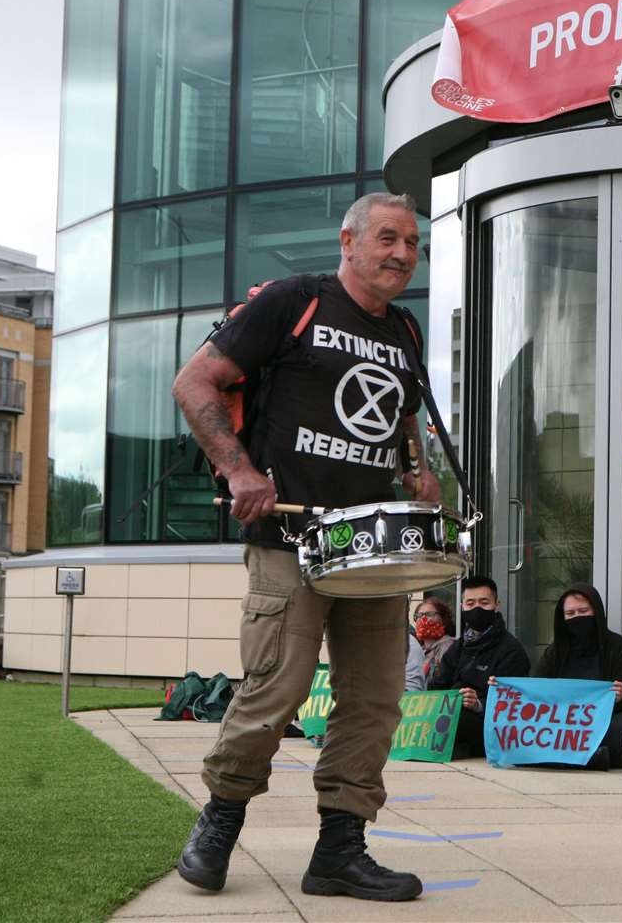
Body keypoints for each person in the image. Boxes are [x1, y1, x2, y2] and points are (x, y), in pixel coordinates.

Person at [170, 192, 441, 901]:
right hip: (288, 535)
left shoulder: (406, 331)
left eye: (412, 243)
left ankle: (339, 851)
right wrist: (237, 469)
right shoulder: (295, 300)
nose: (402, 255)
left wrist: (417, 471)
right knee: (276, 689)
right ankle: (220, 822)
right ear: (348, 240)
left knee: (376, 699)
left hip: (373, 545)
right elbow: (195, 380)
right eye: (388, 238)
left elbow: (401, 418)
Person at [532, 583, 622, 770]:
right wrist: (503, 687)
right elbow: (534, 689)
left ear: (596, 611)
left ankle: (567, 758)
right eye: (570, 614)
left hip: (607, 723)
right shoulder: (555, 653)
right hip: (564, 724)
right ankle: (592, 758)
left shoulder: (621, 649)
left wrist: (620, 698)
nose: (577, 617)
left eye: (583, 611)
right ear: (562, 618)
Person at [431, 575, 530, 758]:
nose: (477, 608)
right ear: (462, 607)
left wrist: (478, 704)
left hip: (484, 727)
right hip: (450, 716)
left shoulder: (511, 651)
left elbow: (513, 706)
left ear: (496, 605)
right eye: (470, 603)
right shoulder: (458, 647)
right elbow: (437, 686)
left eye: (484, 602)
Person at [408, 596, 455, 690]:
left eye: (429, 614)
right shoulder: (417, 648)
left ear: (444, 620)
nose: (423, 619)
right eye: (419, 615)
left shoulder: (449, 645)